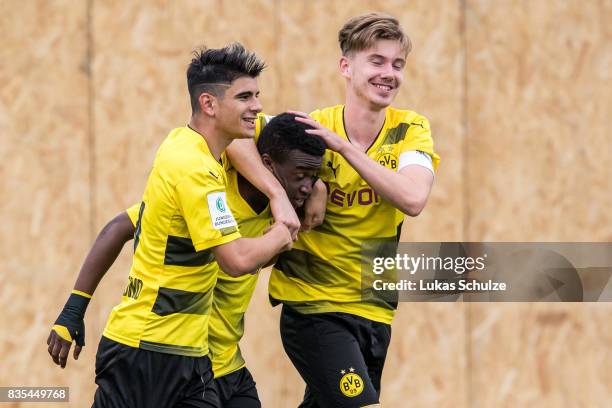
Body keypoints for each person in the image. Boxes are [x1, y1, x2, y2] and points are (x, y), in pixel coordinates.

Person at [47, 43, 294, 408]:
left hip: (190, 357)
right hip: (144, 351)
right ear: (209, 104)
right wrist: (283, 231)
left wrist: (302, 191)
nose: (257, 107)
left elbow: (287, 133)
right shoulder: (195, 169)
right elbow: (236, 260)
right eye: (245, 97)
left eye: (258, 95)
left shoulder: (189, 146)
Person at [227, 12, 441, 408]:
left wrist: (343, 150)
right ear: (346, 66)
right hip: (315, 309)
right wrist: (278, 194)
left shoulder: (409, 129)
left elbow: (413, 199)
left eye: (397, 64)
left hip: (375, 310)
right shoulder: (311, 129)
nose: (388, 73)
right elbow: (232, 138)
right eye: (376, 61)